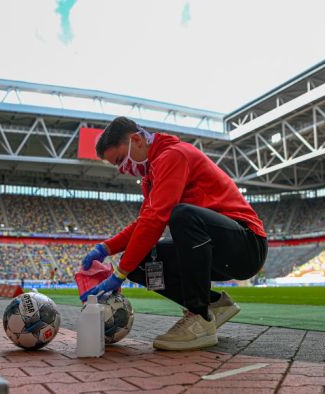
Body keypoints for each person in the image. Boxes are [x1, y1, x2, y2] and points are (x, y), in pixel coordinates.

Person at [80, 117, 268, 351]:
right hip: (215, 247)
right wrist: (106, 248)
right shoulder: (152, 175)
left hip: (246, 245)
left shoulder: (173, 155)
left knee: (181, 215)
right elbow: (144, 222)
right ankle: (215, 305)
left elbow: (156, 218)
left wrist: (119, 273)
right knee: (141, 263)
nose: (123, 169)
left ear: (136, 140)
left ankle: (200, 318)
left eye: (120, 160)